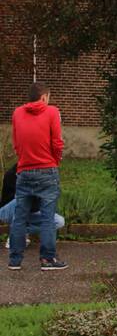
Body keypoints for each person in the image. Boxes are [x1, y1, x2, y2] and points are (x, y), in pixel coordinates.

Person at [8, 82, 66, 271]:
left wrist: (23, 159)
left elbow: (16, 142)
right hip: (47, 170)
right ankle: (47, 260)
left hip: (24, 170)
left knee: (20, 217)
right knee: (47, 217)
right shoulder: (52, 112)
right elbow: (57, 142)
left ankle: (15, 260)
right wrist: (55, 161)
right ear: (43, 97)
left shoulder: (17, 113)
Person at [2, 164, 66, 248]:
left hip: (31, 210)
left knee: (59, 221)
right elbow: (13, 197)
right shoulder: (11, 174)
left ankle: (21, 232)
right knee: (23, 198)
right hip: (8, 210)